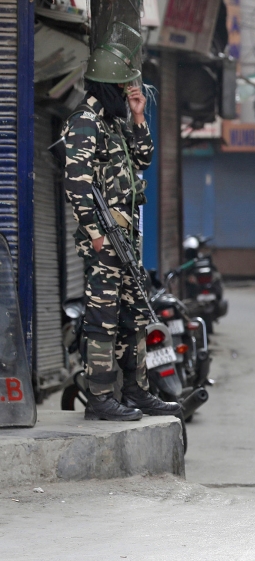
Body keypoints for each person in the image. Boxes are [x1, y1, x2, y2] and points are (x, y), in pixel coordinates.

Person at [64, 23, 181, 421]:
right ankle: (99, 397)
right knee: (102, 319)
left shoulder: (114, 123)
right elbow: (76, 183)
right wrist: (95, 233)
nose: (131, 93)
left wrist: (137, 117)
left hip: (125, 237)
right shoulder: (84, 122)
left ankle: (136, 389)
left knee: (133, 316)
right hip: (104, 240)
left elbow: (144, 158)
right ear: (109, 85)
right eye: (126, 88)